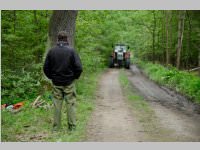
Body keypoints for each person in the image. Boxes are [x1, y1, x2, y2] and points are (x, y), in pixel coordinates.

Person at [43, 31, 82, 132]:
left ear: (58, 39)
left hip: (56, 83)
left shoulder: (52, 51)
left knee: (57, 105)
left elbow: (45, 68)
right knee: (70, 104)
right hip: (69, 82)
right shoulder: (72, 51)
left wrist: (52, 77)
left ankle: (56, 129)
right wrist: (75, 77)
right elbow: (79, 67)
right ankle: (72, 128)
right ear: (66, 39)